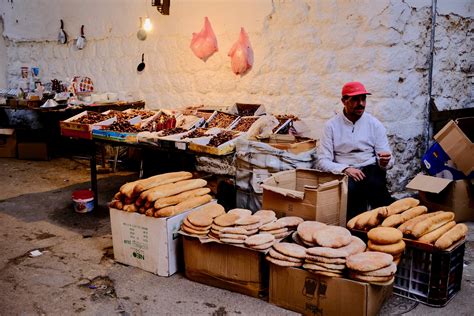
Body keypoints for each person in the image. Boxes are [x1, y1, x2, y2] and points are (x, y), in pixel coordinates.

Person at [317, 81, 394, 221]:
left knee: (376, 185)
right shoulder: (331, 126)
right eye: (355, 99)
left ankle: (384, 225)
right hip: (344, 172)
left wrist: (385, 161)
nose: (361, 104)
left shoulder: (374, 124)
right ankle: (356, 229)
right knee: (352, 192)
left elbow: (388, 158)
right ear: (344, 101)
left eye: (363, 99)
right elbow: (323, 161)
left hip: (370, 169)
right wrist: (346, 168)